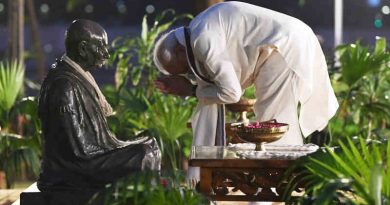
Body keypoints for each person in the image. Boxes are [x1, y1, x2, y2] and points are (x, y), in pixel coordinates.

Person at [153, 2, 339, 179]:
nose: (190, 73)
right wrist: (193, 87)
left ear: (179, 50)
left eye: (184, 70)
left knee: (273, 122)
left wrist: (193, 91)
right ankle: (275, 186)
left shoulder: (201, 40)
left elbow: (232, 93)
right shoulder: (198, 28)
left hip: (283, 44)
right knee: (271, 122)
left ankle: (279, 186)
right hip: (281, 43)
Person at [37, 19, 161, 192]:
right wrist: (120, 149)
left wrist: (119, 146)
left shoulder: (77, 76)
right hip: (72, 170)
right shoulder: (63, 86)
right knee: (143, 154)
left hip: (91, 154)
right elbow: (77, 153)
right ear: (82, 49)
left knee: (150, 141)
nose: (106, 54)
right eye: (100, 47)